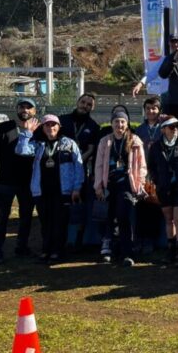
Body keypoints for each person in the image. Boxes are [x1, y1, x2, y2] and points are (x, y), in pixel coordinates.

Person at [16, 115, 83, 263]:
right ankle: (46, 250)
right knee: (45, 222)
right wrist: (27, 133)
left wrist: (77, 188)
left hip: (63, 190)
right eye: (47, 125)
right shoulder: (38, 144)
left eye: (54, 125)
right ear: (43, 128)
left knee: (59, 222)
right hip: (41, 190)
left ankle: (57, 251)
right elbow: (21, 151)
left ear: (59, 127)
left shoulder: (69, 143)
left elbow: (79, 167)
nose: (50, 128)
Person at [0, 98, 38, 263]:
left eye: (29, 108)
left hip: (28, 182)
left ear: (34, 111)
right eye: (22, 107)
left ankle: (21, 247)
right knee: (1, 216)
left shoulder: (39, 130)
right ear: (16, 109)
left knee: (26, 216)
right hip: (5, 180)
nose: (25, 110)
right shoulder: (4, 128)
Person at [94, 112, 147, 267]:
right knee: (108, 217)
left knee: (124, 217)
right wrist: (98, 186)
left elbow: (142, 165)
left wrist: (139, 184)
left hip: (127, 184)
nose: (119, 125)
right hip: (108, 183)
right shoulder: (105, 141)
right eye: (116, 122)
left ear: (127, 123)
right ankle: (108, 250)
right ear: (111, 124)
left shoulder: (135, 141)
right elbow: (98, 165)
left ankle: (127, 253)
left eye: (123, 122)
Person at [146, 117, 178, 267]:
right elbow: (151, 166)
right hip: (164, 188)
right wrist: (158, 181)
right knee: (169, 219)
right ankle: (171, 250)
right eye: (171, 126)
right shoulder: (156, 146)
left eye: (177, 126)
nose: (175, 128)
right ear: (163, 129)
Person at [58, 93, 100, 250]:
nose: (85, 106)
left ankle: (77, 241)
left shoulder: (94, 126)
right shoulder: (62, 120)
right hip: (60, 170)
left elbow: (92, 150)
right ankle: (59, 241)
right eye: (83, 102)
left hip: (80, 171)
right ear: (77, 102)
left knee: (79, 205)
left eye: (89, 104)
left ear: (92, 108)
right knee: (60, 206)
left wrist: (80, 158)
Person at [134, 97, 165, 254]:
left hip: (158, 174)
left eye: (154, 108)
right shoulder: (139, 129)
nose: (151, 111)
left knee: (155, 207)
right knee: (140, 207)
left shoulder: (164, 128)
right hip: (141, 174)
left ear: (159, 110)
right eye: (148, 108)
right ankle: (139, 239)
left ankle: (151, 240)